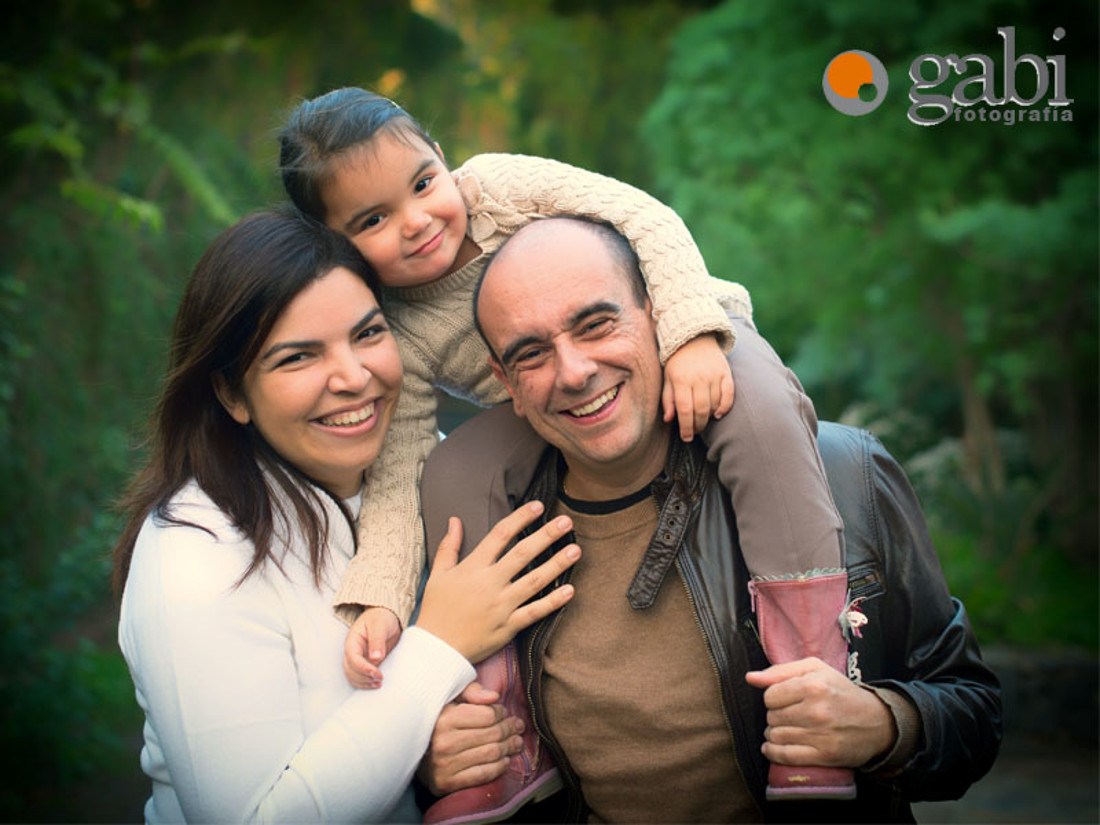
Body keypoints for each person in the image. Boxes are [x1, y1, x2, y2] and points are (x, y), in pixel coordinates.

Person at [278, 87, 852, 816]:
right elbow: (398, 472)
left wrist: (690, 336)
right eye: (373, 220)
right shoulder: (402, 329)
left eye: (422, 183)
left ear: (442, 160)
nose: (416, 221)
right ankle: (503, 730)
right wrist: (382, 599)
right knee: (456, 470)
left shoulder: (500, 187)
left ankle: (813, 679)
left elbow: (644, 217)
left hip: (681, 325)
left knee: (759, 410)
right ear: (337, 242)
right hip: (549, 398)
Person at [418, 216, 1003, 823]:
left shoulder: (844, 473)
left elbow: (976, 715)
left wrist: (884, 724)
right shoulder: (489, 546)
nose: (574, 371)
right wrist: (431, 763)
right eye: (532, 354)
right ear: (505, 382)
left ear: (658, 316)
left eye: (595, 325)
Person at [112, 207, 581, 823]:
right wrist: (439, 645)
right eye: (298, 358)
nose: (355, 377)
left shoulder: (436, 469)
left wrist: (425, 753)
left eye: (368, 334)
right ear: (231, 393)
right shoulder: (196, 558)